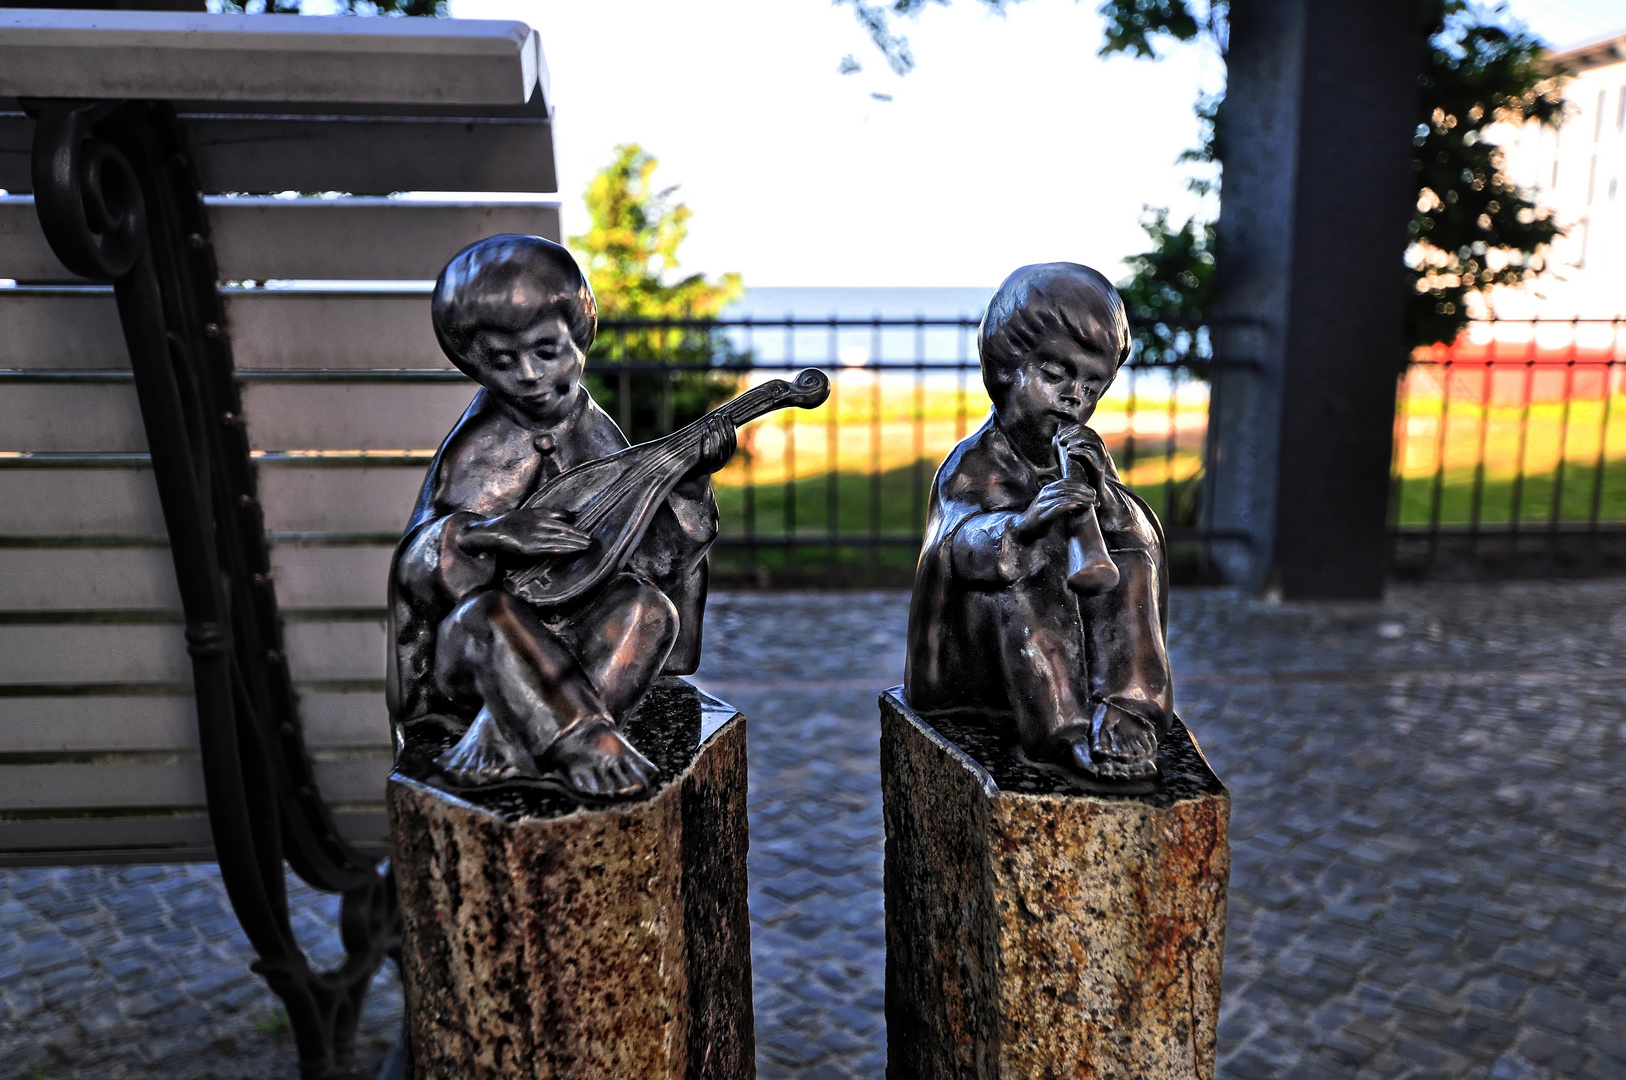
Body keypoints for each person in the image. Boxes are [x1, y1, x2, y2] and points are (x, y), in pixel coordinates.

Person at [387, 235, 734, 799]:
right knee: (494, 614)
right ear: (472, 364)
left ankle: (505, 739)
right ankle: (581, 742)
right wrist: (490, 532)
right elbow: (417, 570)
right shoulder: (475, 451)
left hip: (578, 639)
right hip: (480, 653)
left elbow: (645, 557)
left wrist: (691, 483)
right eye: (502, 360)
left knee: (649, 611)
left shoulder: (596, 434)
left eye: (546, 351)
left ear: (580, 339)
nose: (527, 374)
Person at [905, 263, 1173, 779]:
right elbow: (957, 546)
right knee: (1029, 571)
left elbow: (1140, 533)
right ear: (1007, 371)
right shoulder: (974, 463)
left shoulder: (1080, 454)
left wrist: (1108, 501)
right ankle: (1064, 728)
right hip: (987, 665)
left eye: (1093, 386)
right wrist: (1024, 527)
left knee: (1131, 554)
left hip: (1067, 649)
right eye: (1056, 375)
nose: (1075, 398)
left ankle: (1128, 706)